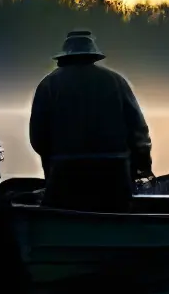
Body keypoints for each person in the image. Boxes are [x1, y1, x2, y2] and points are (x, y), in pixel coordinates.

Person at [28, 30, 153, 190]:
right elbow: (138, 131)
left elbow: (38, 137)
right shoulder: (116, 81)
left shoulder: (48, 85)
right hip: (114, 174)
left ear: (63, 58)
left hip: (65, 174)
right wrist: (143, 166)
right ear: (93, 56)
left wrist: (52, 164)